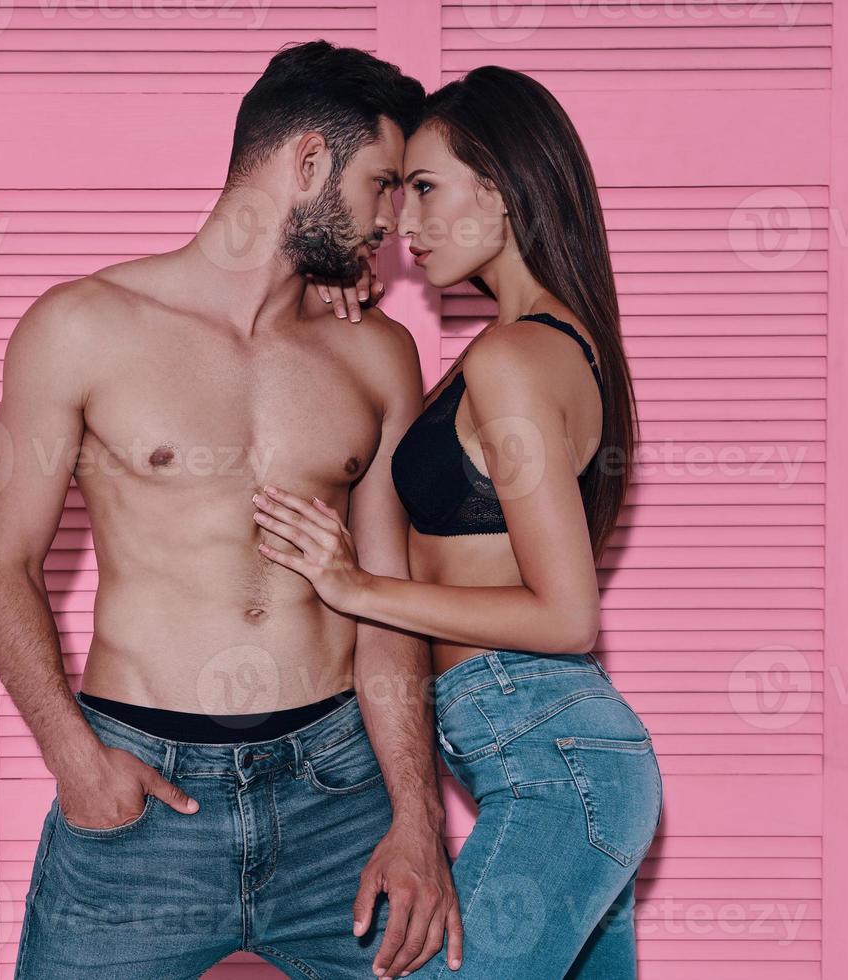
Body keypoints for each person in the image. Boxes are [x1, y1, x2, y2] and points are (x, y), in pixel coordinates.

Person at [0, 41, 465, 979]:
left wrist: (415, 817)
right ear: (310, 163)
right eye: (383, 185)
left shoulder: (377, 358)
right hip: (143, 795)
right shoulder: (80, 327)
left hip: (341, 794)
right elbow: (3, 567)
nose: (393, 226)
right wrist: (76, 760)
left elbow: (384, 600)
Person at [254, 66, 663, 979]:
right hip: (556, 757)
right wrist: (332, 315)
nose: (405, 223)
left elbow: (565, 616)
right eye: (397, 195)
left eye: (427, 188)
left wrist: (356, 587)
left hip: (550, 760)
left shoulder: (518, 356)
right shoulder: (532, 344)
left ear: (506, 190)